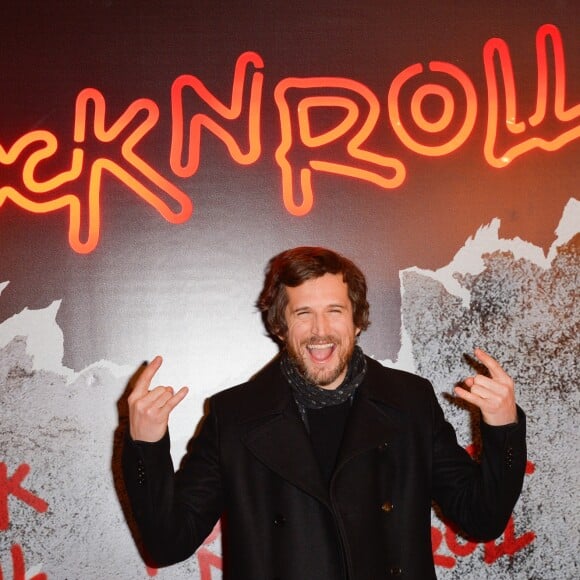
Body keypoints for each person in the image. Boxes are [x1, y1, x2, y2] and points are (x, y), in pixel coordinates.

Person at [122, 246, 526, 579]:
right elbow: (167, 544)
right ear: (280, 324)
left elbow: (481, 518)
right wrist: (147, 446)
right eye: (303, 313)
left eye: (335, 311)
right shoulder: (236, 416)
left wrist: (503, 427)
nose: (320, 330)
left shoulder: (409, 402)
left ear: (357, 321)